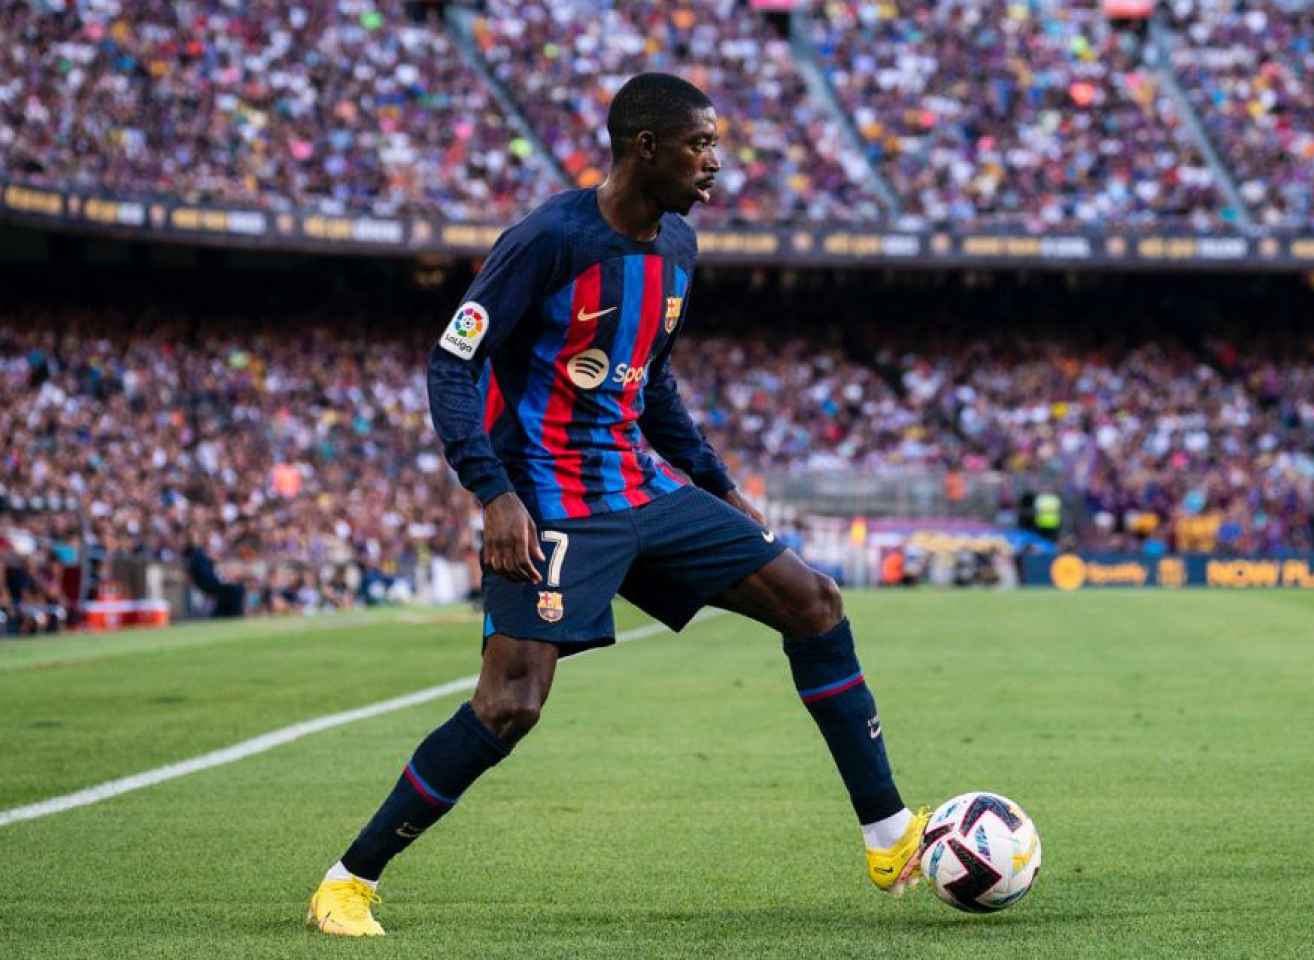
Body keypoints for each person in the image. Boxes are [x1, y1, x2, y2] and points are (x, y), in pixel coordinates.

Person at [305, 74, 928, 937]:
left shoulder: (679, 245)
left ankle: (889, 835)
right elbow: (453, 364)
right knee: (511, 703)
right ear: (645, 148)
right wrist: (492, 493)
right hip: (551, 499)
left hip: (644, 486)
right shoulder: (548, 240)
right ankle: (348, 881)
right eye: (700, 145)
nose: (715, 163)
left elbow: (652, 378)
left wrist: (717, 484)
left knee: (814, 602)